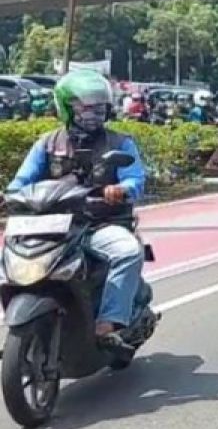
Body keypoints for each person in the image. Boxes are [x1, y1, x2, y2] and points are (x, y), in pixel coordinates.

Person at [6, 69, 147, 349]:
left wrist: (122, 189)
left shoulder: (121, 143)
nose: (93, 113)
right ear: (67, 108)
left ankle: (109, 321)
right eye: (85, 107)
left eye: (99, 107)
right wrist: (9, 195)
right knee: (9, 253)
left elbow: (136, 179)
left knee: (128, 251)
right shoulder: (47, 143)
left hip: (99, 224)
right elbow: (21, 181)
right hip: (51, 225)